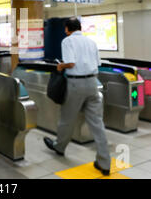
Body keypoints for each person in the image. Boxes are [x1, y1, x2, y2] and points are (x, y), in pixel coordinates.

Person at [43, 17, 111, 176]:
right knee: (97, 123)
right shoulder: (91, 42)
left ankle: (59, 147)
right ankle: (104, 162)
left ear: (67, 29)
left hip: (76, 84)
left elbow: (71, 63)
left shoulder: (67, 41)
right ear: (80, 28)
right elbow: (98, 63)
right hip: (93, 82)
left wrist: (60, 66)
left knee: (67, 118)